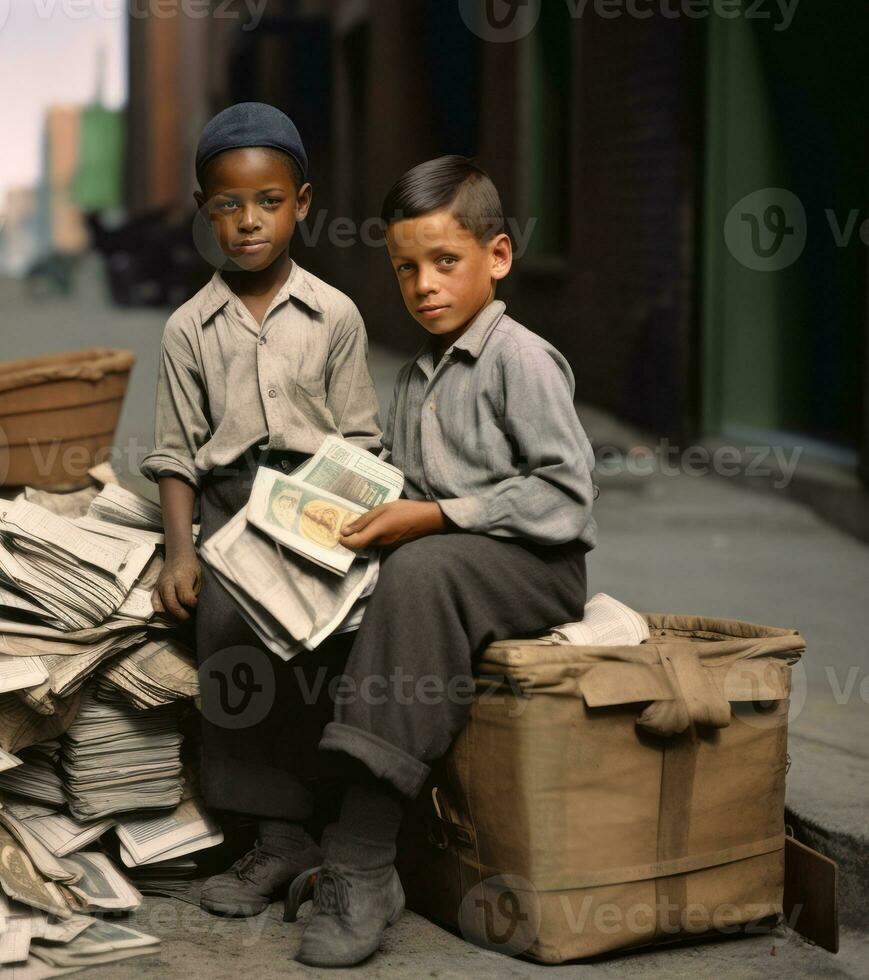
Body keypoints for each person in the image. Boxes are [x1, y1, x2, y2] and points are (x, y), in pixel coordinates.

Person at [279, 155, 598, 967]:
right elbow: (409, 487)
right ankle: (305, 824)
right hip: (454, 565)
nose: (424, 285)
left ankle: (361, 859)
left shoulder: (518, 359)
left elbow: (565, 496)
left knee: (420, 573)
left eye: (445, 262)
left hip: (532, 567)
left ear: (496, 258)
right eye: (406, 268)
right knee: (330, 589)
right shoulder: (417, 375)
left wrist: (436, 516)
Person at [139, 103, 383, 919]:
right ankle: (273, 838)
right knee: (230, 653)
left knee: (337, 652)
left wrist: (346, 529)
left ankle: (341, 829)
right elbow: (176, 452)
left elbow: (359, 440)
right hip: (230, 508)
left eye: (269, 202)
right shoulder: (188, 328)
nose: (249, 222)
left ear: (302, 203)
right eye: (228, 205)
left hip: (321, 507)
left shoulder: (335, 316)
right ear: (205, 209)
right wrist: (181, 554)